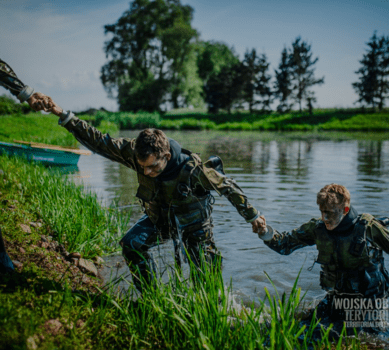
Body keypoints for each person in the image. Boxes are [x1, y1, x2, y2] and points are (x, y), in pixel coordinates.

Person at [22, 91, 266, 292]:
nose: (146, 172)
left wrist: (254, 217)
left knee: (206, 285)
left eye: (152, 167)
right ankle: (152, 297)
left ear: (166, 156)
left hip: (195, 226)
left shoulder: (194, 169)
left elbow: (229, 187)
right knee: (131, 244)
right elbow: (98, 141)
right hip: (161, 220)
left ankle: (214, 313)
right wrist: (62, 114)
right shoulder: (134, 152)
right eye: (142, 168)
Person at [258, 183, 389, 336]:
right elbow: (284, 245)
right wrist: (264, 231)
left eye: (330, 213)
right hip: (337, 298)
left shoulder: (368, 228)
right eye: (322, 212)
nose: (325, 218)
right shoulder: (317, 228)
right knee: (297, 328)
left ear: (345, 210)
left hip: (370, 303)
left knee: (346, 335)